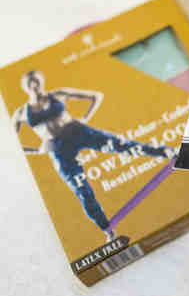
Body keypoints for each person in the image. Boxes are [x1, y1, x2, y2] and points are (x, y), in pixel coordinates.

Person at [12, 70, 174, 242]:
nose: (34, 86)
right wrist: (36, 151)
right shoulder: (21, 113)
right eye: (30, 83)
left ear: (42, 81)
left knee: (123, 145)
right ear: (25, 87)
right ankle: (108, 230)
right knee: (81, 190)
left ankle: (168, 152)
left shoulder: (58, 94)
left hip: (77, 131)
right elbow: (11, 145)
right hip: (58, 149)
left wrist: (86, 117)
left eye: (37, 81)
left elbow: (96, 96)